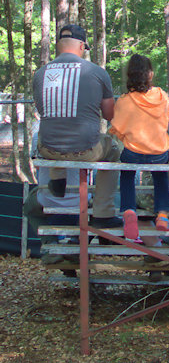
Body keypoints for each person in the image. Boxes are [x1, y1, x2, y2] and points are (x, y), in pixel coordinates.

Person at [32, 24, 122, 227]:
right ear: (82, 46)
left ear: (58, 46)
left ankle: (58, 178)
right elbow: (109, 115)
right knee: (114, 149)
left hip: (47, 149)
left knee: (51, 130)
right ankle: (103, 213)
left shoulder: (40, 74)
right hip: (86, 149)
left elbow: (42, 111)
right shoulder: (97, 72)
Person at [109, 54, 169, 241]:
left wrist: (129, 138)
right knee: (161, 178)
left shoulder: (123, 101)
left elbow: (117, 128)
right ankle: (162, 213)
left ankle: (129, 209)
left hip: (133, 151)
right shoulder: (162, 96)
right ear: (150, 75)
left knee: (127, 176)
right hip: (159, 152)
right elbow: (167, 120)